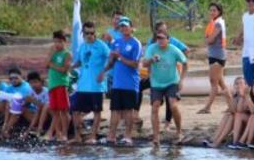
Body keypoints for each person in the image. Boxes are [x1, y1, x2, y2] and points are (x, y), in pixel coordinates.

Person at [99, 16, 141, 145]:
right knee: (115, 110)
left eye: (126, 26)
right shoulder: (116, 42)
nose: (123, 28)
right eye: (121, 26)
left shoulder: (136, 43)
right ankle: (111, 136)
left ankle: (127, 136)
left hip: (130, 83)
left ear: (131, 28)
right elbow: (112, 62)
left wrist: (120, 57)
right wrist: (103, 71)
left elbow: (135, 64)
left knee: (128, 110)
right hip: (117, 83)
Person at [142, 30, 187, 147]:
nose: (160, 40)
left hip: (172, 82)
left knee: (173, 105)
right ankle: (156, 137)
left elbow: (185, 62)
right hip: (156, 83)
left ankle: (179, 131)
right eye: (158, 38)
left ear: (168, 39)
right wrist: (152, 60)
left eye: (162, 38)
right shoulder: (152, 48)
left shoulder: (173, 49)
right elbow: (144, 64)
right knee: (155, 107)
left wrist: (181, 80)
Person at [71, 21, 111, 143]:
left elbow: (112, 59)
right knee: (75, 111)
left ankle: (93, 136)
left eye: (92, 33)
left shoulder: (102, 46)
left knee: (96, 112)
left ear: (95, 33)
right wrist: (70, 67)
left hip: (96, 86)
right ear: (83, 33)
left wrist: (103, 72)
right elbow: (79, 62)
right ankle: (78, 136)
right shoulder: (82, 46)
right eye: (87, 33)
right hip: (82, 85)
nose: (90, 35)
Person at [198, 2, 232, 115]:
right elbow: (208, 39)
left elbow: (210, 40)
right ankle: (231, 106)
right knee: (221, 83)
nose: (212, 12)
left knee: (213, 82)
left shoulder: (217, 24)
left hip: (217, 56)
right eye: (211, 10)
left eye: (214, 10)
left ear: (219, 12)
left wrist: (207, 40)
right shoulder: (215, 22)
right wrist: (207, 40)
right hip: (215, 55)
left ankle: (207, 107)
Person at [43, 30, 72, 142]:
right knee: (54, 111)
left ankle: (64, 134)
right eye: (55, 42)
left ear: (65, 42)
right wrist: (50, 55)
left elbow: (64, 70)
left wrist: (52, 65)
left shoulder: (67, 54)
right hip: (52, 85)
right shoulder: (53, 52)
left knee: (63, 110)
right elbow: (46, 64)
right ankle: (58, 133)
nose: (57, 44)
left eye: (59, 42)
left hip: (61, 84)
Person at [2, 71, 48, 139]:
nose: (33, 85)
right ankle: (6, 130)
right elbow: (25, 105)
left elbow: (44, 107)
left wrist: (33, 101)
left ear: (41, 82)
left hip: (44, 118)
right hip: (33, 116)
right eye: (31, 83)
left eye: (35, 82)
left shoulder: (46, 91)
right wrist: (23, 103)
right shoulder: (31, 91)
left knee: (38, 109)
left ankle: (30, 131)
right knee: (20, 108)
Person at [207, 77, 247, 148]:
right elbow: (232, 110)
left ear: (245, 85)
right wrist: (227, 97)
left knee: (233, 116)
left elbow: (239, 110)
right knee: (228, 115)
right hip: (238, 121)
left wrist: (241, 96)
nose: (239, 85)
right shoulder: (236, 95)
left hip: (247, 124)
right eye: (236, 84)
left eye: (241, 83)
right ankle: (215, 139)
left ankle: (218, 142)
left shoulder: (247, 95)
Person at [230, 80, 254, 149]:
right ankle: (235, 142)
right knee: (238, 115)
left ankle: (243, 141)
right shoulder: (251, 98)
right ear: (252, 89)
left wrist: (247, 96)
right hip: (251, 126)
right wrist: (242, 96)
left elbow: (253, 111)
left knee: (253, 115)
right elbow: (239, 110)